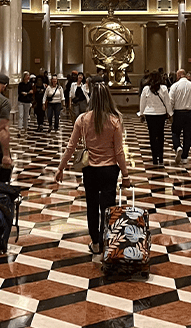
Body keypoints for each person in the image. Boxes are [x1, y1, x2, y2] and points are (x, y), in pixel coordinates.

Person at [55, 81, 132, 254]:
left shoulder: (82, 119)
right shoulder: (115, 120)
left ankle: (95, 242)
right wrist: (125, 175)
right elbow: (119, 151)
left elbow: (71, 146)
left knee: (91, 205)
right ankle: (106, 240)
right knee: (108, 207)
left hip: (90, 169)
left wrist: (61, 168)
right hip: (109, 169)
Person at [169, 69, 191, 164]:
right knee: (187, 135)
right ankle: (185, 156)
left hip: (178, 113)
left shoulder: (174, 86)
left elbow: (170, 101)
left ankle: (178, 146)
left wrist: (170, 113)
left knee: (175, 132)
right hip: (190, 114)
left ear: (179, 75)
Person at [139, 70, 173, 165]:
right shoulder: (164, 88)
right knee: (160, 135)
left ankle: (154, 158)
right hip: (161, 114)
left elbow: (142, 102)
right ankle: (160, 156)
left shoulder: (146, 89)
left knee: (152, 136)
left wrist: (141, 113)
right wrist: (170, 113)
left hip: (150, 114)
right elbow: (167, 102)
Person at [16, 71, 33, 136]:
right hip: (21, 101)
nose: (28, 77)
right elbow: (20, 92)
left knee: (26, 116)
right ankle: (19, 130)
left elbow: (31, 92)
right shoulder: (20, 84)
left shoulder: (30, 84)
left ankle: (25, 129)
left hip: (27, 101)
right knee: (20, 115)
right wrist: (24, 93)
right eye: (26, 76)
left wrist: (28, 93)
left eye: (28, 76)